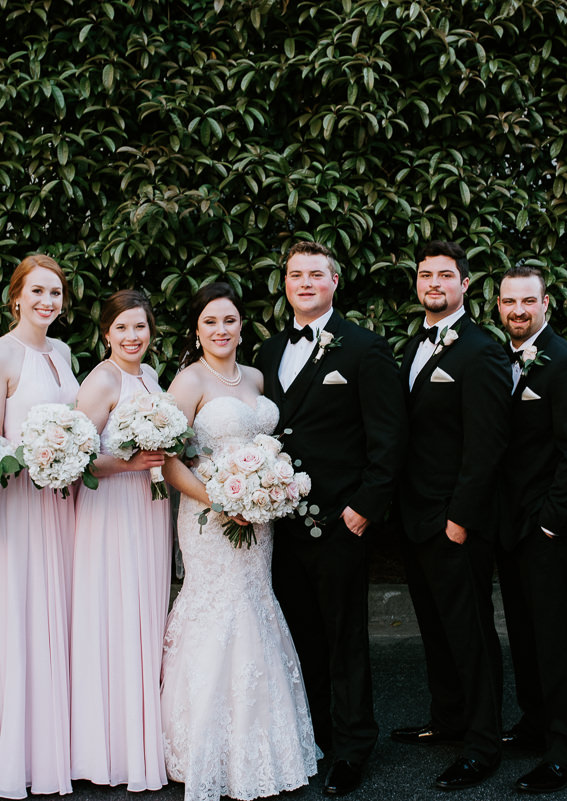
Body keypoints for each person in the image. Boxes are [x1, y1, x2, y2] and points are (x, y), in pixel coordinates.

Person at [256, 241, 406, 797]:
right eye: (295, 274)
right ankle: (312, 735)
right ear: (286, 283)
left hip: (340, 522)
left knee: (346, 638)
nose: (304, 282)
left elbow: (389, 439)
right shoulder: (268, 352)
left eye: (315, 274)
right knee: (299, 638)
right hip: (277, 521)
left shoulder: (366, 349)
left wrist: (364, 508)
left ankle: (353, 747)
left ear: (334, 282)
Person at [159, 282, 318, 801]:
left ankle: (263, 745)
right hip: (209, 518)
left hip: (258, 515)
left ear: (240, 326)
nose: (220, 330)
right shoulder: (188, 381)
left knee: (255, 605)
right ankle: (200, 747)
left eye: (229, 321)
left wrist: (264, 492)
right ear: (197, 329)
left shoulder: (254, 375)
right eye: (210, 322)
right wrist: (220, 500)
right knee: (218, 606)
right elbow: (167, 460)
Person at [388, 241, 509, 791]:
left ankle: (483, 744)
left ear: (464, 284)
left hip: (456, 520)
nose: (432, 282)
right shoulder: (414, 342)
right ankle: (448, 719)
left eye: (444, 275)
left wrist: (462, 515)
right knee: (435, 627)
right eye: (424, 274)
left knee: (470, 632)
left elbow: (487, 445)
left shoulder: (481, 350)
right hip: (416, 517)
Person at [0, 254, 79, 798]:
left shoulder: (62, 351)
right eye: (37, 292)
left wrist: (69, 453)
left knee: (56, 614)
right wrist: (37, 457)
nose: (47, 302)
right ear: (16, 297)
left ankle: (55, 745)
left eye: (55, 293)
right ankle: (19, 753)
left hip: (61, 505)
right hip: (18, 504)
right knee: (22, 617)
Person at [495, 265, 567, 794]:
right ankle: (535, 724)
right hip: (509, 528)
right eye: (508, 301)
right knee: (525, 634)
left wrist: (553, 525)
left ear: (546, 303)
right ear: (497, 306)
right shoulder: (500, 361)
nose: (517, 310)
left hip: (548, 531)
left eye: (527, 301)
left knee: (557, 640)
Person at [71, 289, 171, 791]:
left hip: (148, 510)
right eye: (123, 328)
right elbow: (76, 459)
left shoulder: (149, 378)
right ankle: (108, 747)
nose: (133, 337)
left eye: (141, 328)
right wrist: (129, 463)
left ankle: (142, 738)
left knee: (143, 615)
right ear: (106, 332)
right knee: (114, 614)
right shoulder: (102, 380)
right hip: (111, 510)